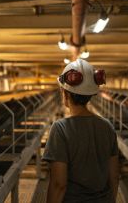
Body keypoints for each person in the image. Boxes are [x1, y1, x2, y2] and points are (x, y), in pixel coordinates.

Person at [42, 59, 119, 203]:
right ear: (91, 95)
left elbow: (59, 184)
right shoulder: (107, 127)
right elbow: (114, 176)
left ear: (65, 93)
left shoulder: (60, 129)